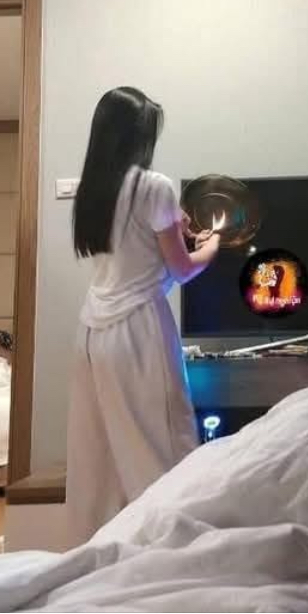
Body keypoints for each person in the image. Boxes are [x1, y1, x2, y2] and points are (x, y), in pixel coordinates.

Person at [65, 87, 222, 543]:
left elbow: (134, 250)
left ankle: (99, 550)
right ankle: (172, 548)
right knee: (163, 442)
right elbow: (182, 269)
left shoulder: (93, 191)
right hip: (139, 329)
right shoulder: (153, 186)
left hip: (92, 334)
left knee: (100, 454)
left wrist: (174, 228)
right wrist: (211, 246)